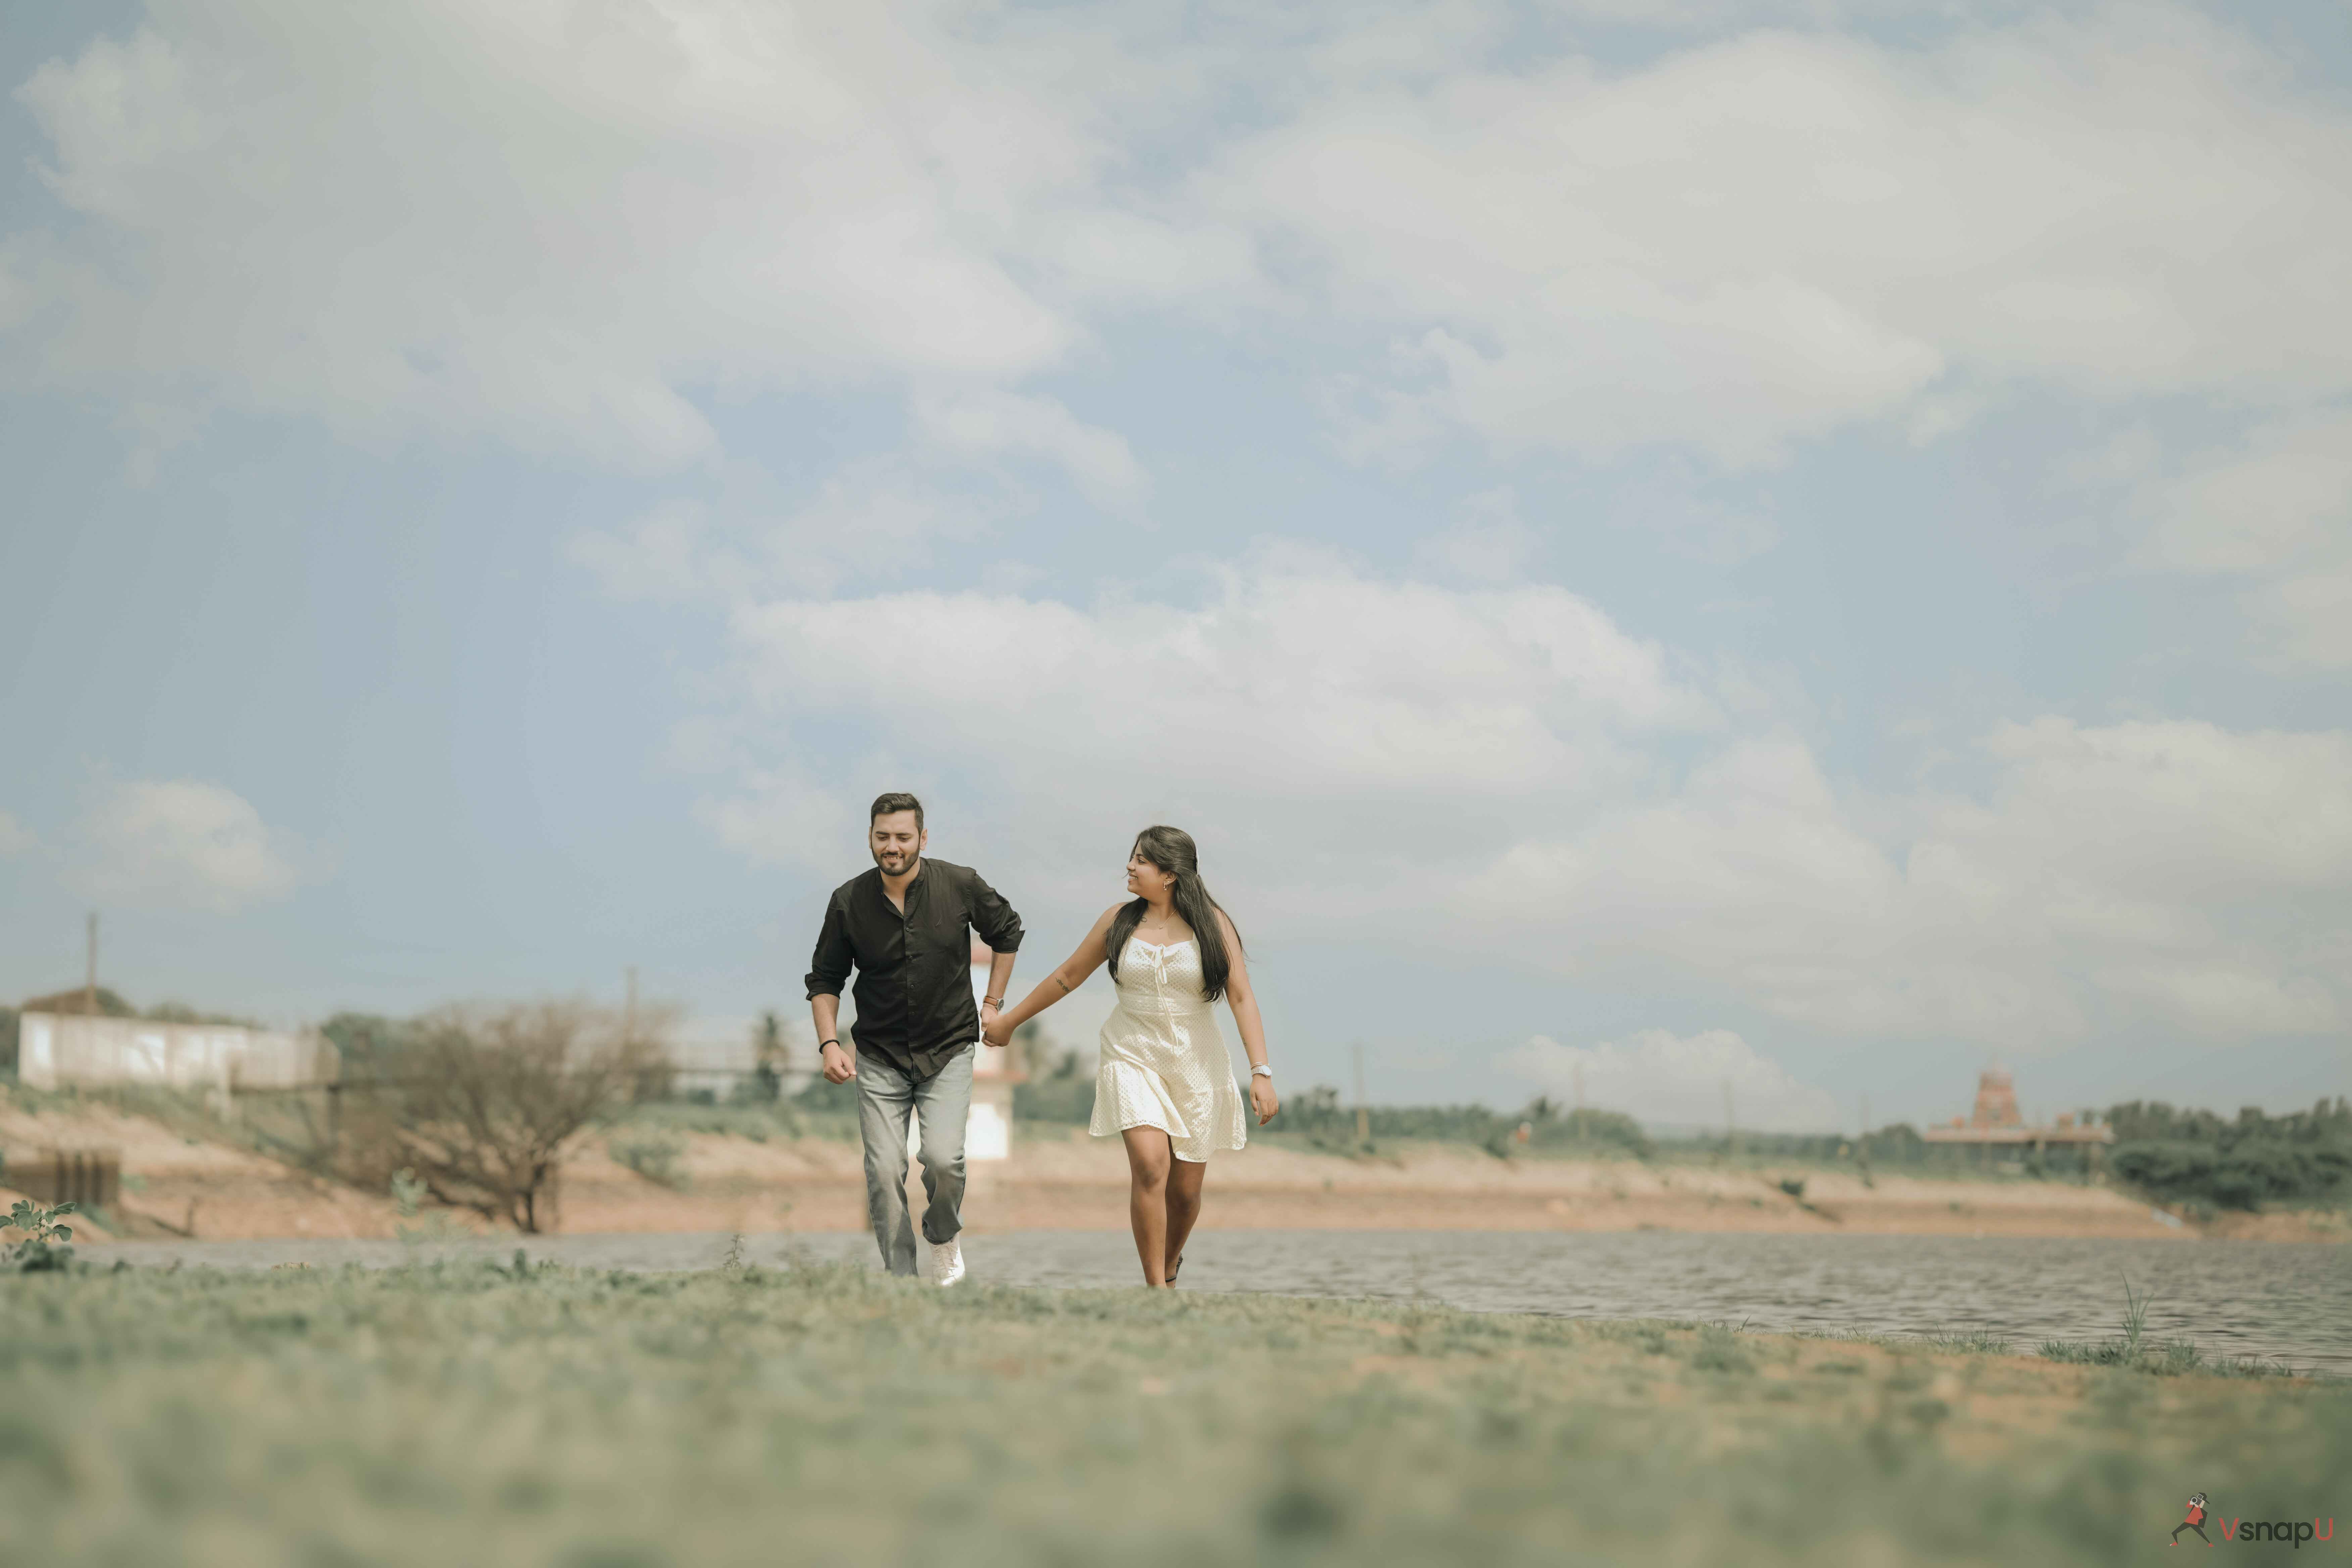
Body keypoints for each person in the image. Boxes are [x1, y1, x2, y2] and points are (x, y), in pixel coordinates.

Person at [987, 825, 1276, 1287]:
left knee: (1185, 1193)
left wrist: (1260, 1072)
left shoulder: (1213, 925)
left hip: (1196, 1062)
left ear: (1170, 874)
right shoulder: (1117, 921)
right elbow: (1067, 976)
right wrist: (1009, 1021)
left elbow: (1241, 997)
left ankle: (1170, 1262)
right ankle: (1155, 1289)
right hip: (1131, 1053)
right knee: (1149, 1166)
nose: (1130, 866)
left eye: (1141, 860)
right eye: (1133, 857)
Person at [807, 792, 1023, 1286]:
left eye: (903, 837)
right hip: (879, 1056)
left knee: (945, 1161)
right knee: (884, 1171)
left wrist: (992, 1005)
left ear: (922, 839)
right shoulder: (848, 902)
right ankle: (901, 1279)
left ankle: (943, 1238)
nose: (893, 846)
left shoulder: (961, 884)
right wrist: (829, 1045)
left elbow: (1007, 934)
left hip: (948, 1049)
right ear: (870, 838)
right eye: (883, 836)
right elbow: (824, 981)